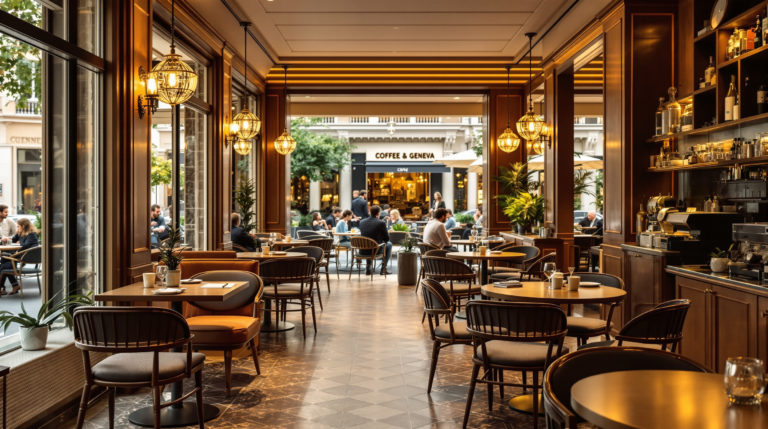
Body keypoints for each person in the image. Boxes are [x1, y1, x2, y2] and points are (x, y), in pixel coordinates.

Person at [0, 218, 38, 295]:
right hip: (18, 257)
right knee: (4, 261)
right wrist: (15, 234)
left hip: (24, 258)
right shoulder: (21, 233)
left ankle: (4, 287)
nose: (17, 228)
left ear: (23, 226)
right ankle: (15, 286)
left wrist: (19, 242)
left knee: (3, 267)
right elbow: (14, 240)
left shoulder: (32, 234)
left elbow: (25, 246)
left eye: (18, 226)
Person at [358, 205, 391, 275]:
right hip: (375, 250)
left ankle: (368, 268)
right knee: (389, 244)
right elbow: (387, 239)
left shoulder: (362, 222)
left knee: (368, 243)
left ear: (369, 212)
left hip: (362, 250)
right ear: (378, 213)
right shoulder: (381, 223)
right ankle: (383, 269)